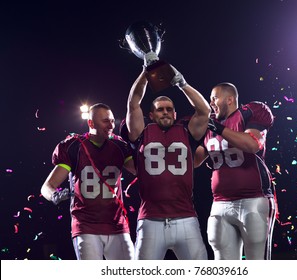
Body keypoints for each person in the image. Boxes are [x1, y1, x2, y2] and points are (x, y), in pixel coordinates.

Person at [122, 66, 210, 260]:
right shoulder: (142, 132)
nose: (165, 112)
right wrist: (146, 73)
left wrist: (182, 84)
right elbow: (133, 104)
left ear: (175, 114)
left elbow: (204, 111)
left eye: (169, 109)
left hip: (186, 218)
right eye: (160, 110)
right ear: (151, 115)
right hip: (150, 220)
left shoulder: (186, 131)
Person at [41, 103, 136, 260]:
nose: (111, 125)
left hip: (117, 225)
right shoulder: (74, 146)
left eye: (112, 121)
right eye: (105, 121)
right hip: (86, 225)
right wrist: (54, 195)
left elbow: (140, 171)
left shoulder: (119, 146)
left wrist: (137, 142)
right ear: (90, 123)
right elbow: (47, 186)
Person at [194, 82, 276, 260]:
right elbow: (194, 161)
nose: (211, 103)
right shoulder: (212, 125)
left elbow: (252, 144)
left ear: (230, 99)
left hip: (253, 199)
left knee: (257, 262)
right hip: (220, 203)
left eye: (214, 98)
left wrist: (220, 129)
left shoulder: (250, 113)